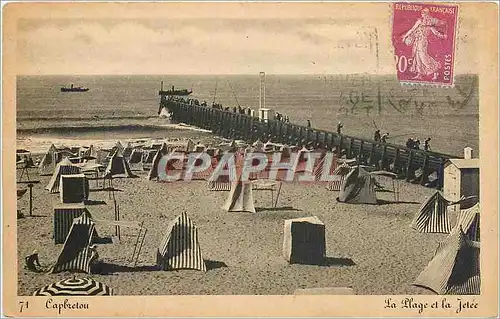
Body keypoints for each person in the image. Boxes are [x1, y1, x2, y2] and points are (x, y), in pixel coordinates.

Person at [402, 7, 447, 81]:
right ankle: (419, 74)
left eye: (424, 13)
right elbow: (412, 29)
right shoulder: (421, 21)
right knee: (417, 58)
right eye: (422, 13)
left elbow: (434, 31)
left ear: (427, 14)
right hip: (417, 41)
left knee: (423, 58)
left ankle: (435, 71)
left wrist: (442, 36)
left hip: (422, 42)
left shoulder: (428, 22)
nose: (422, 14)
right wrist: (405, 36)